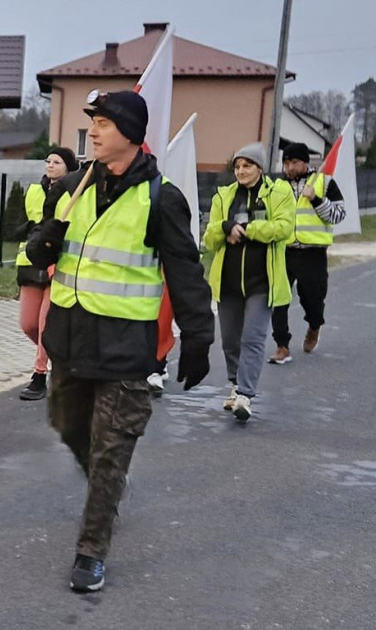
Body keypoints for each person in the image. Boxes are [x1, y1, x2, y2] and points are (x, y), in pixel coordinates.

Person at [25, 90, 214, 593]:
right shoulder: (73, 184)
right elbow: (43, 240)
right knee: (67, 426)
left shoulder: (161, 198)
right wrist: (40, 240)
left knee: (111, 450)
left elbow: (185, 271)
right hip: (68, 340)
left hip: (126, 350)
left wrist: (198, 336)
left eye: (104, 123)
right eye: (93, 122)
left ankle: (91, 550)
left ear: (130, 134)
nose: (93, 130)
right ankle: (108, 489)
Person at [202, 143, 294, 422]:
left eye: (247, 166)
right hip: (228, 281)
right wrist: (225, 227)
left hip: (262, 281)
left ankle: (245, 394)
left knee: (252, 338)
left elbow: (285, 228)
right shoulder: (224, 196)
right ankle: (234, 384)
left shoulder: (279, 193)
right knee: (230, 341)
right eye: (238, 167)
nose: (241, 171)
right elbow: (208, 239)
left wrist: (250, 230)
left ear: (260, 168)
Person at [269, 141, 347, 364]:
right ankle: (282, 346)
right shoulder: (276, 186)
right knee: (279, 299)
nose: (289, 168)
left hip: (313, 253)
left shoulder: (324, 182)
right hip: (284, 250)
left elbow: (339, 215)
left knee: (313, 299)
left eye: (294, 162)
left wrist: (315, 199)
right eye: (286, 163)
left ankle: (314, 325)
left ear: (305, 163)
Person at [14, 146, 79, 401]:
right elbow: (19, 221)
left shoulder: (76, 193)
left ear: (68, 168)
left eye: (57, 162)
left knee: (45, 324)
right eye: (48, 160)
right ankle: (60, 357)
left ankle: (39, 376)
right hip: (30, 262)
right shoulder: (32, 191)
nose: (50, 165)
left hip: (59, 262)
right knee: (28, 324)